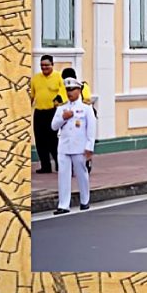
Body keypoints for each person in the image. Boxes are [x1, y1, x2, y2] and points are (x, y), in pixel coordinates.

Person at [49, 77, 96, 214]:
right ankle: (63, 204)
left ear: (79, 90)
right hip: (64, 146)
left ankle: (84, 200)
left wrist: (89, 147)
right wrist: (64, 118)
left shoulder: (86, 108)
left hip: (79, 147)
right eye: (67, 90)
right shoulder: (62, 108)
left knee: (81, 173)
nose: (69, 92)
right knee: (63, 175)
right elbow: (53, 126)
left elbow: (91, 129)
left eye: (72, 89)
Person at [29, 55, 66, 174]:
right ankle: (45, 166)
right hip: (39, 112)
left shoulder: (58, 77)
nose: (44, 67)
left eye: (46, 65)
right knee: (40, 140)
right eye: (42, 65)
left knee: (53, 141)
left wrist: (58, 102)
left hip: (53, 112)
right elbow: (32, 95)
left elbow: (63, 93)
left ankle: (59, 164)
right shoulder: (35, 78)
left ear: (52, 64)